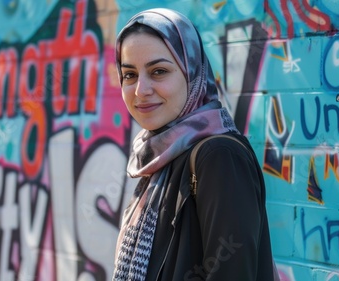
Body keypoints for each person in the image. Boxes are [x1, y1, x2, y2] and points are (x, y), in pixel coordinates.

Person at [112, 8, 278, 281]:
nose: (141, 90)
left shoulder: (219, 156)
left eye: (159, 71)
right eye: (129, 75)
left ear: (192, 74)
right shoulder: (159, 159)